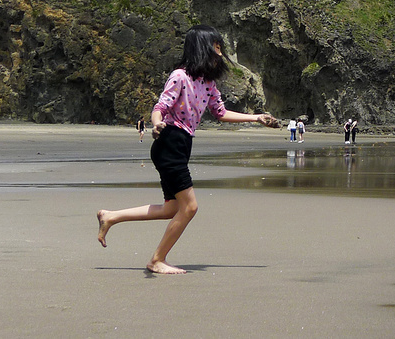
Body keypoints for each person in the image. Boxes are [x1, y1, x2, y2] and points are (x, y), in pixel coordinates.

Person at [95, 25, 279, 274]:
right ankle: (156, 260)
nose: (220, 52)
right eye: (216, 47)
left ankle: (111, 217)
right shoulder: (179, 76)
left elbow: (221, 113)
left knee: (172, 208)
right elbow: (161, 106)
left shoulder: (209, 83)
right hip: (169, 141)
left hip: (182, 145)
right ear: (202, 47)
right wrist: (157, 122)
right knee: (190, 207)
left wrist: (256, 118)